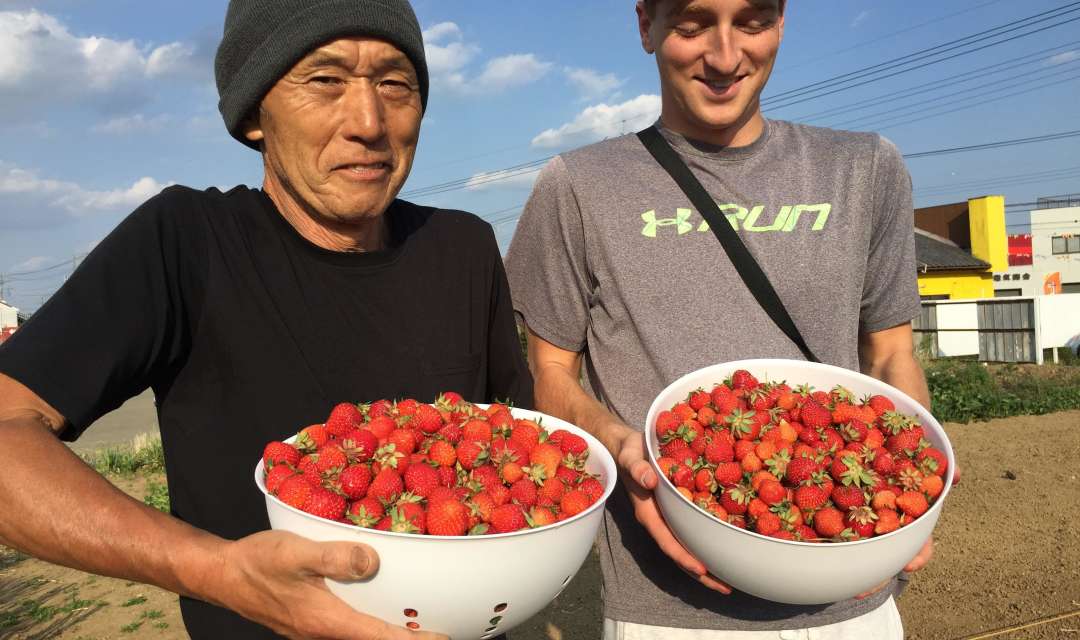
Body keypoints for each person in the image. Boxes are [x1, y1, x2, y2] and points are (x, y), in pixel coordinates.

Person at [0, 1, 531, 638]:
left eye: (395, 83)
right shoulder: (186, 242)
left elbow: (521, 439)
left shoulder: (463, 245)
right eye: (325, 80)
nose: (368, 121)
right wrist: (219, 571)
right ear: (254, 112)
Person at [505, 0, 949, 638]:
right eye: (691, 25)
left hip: (851, 593)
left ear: (783, 20)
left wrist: (917, 483)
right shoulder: (579, 185)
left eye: (752, 21)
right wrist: (626, 445)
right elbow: (548, 370)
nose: (723, 56)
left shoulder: (864, 169)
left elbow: (889, 356)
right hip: (668, 603)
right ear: (645, 26)